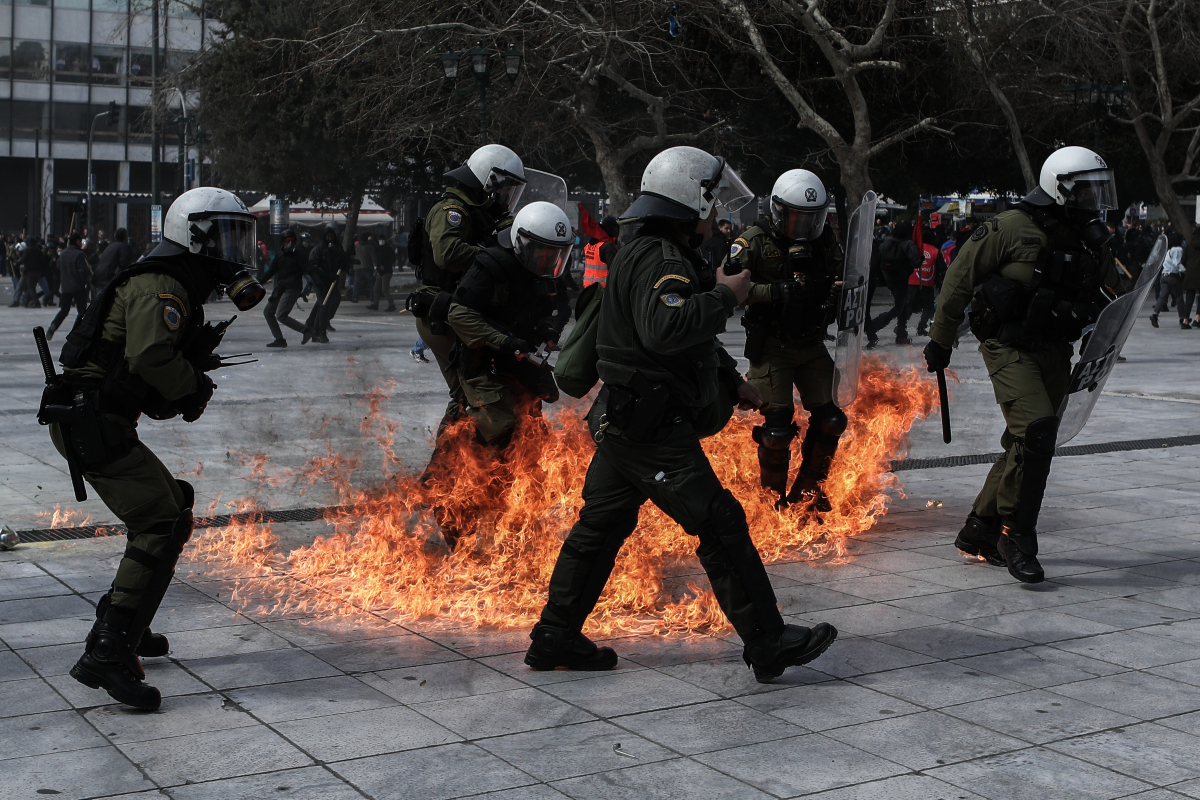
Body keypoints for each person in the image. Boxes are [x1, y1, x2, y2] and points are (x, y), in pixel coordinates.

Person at [525, 146, 838, 682]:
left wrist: (730, 379)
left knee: (600, 527)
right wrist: (727, 295)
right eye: (711, 202)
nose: (717, 214)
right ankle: (767, 642)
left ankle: (555, 636)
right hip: (650, 426)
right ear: (690, 199)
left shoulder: (641, 247)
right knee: (719, 521)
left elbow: (675, 340)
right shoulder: (662, 258)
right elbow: (666, 329)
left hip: (625, 420)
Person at [43, 186, 265, 709]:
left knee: (175, 507)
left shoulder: (171, 284)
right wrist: (193, 385)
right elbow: (148, 360)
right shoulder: (161, 285)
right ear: (194, 235)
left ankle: (129, 618)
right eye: (225, 236)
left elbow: (144, 374)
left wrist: (187, 371)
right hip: (90, 422)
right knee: (159, 521)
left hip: (99, 418)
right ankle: (108, 652)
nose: (234, 249)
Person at [924, 146, 1122, 584]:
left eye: (1098, 190)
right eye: (1086, 190)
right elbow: (959, 278)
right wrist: (940, 340)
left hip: (1055, 349)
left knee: (1025, 441)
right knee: (1037, 430)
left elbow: (1116, 291)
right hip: (1008, 345)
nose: (1094, 199)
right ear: (1059, 187)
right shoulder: (1011, 227)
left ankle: (979, 529)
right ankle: (1016, 536)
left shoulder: (1090, 237)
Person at [728, 169, 846, 512]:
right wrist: (773, 291)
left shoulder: (823, 241)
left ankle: (809, 492)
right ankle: (772, 503)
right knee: (777, 431)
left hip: (811, 341)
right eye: (797, 217)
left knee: (832, 419)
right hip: (772, 344)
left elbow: (846, 274)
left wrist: (836, 292)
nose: (804, 225)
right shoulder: (753, 241)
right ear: (778, 211)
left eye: (811, 218)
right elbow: (727, 289)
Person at [408, 144, 526, 455]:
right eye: (504, 188)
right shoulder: (453, 211)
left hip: (460, 308)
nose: (506, 196)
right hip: (442, 311)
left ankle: (447, 475)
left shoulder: (482, 212)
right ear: (488, 180)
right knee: (471, 391)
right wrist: (493, 257)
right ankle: (446, 473)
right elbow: (447, 254)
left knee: (466, 394)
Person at [447, 200, 570, 449]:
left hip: (520, 365)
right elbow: (458, 313)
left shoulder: (543, 275)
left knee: (531, 433)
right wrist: (503, 341)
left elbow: (543, 313)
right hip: (484, 364)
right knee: (492, 431)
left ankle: (524, 486)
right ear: (521, 242)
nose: (548, 259)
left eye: (554, 253)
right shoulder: (491, 266)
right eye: (542, 251)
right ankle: (438, 483)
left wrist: (545, 328)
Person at [867, 221, 922, 345]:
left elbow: (878, 259)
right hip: (902, 279)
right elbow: (915, 262)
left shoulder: (886, 242)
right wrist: (921, 259)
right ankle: (875, 325)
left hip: (888, 278)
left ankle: (901, 334)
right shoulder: (909, 244)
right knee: (899, 307)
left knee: (901, 306)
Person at [261, 228, 308, 347]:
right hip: (281, 287)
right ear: (283, 242)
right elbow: (270, 271)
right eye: (287, 241)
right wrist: (258, 282)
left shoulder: (300, 256)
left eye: (291, 241)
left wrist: (316, 281)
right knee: (268, 312)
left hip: (293, 288)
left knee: (281, 315)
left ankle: (306, 330)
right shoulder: (280, 255)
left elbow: (310, 270)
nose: (289, 243)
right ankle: (279, 339)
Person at [302, 224, 347, 344]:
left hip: (331, 282)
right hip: (320, 282)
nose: (330, 238)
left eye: (332, 236)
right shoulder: (318, 249)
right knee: (323, 305)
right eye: (328, 236)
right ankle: (319, 332)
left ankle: (316, 322)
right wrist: (320, 278)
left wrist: (346, 266)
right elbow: (312, 267)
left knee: (332, 301)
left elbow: (342, 260)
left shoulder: (337, 248)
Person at [46, 233, 91, 339]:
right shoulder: (79, 254)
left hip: (66, 286)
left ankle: (53, 326)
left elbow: (58, 266)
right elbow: (82, 271)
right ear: (78, 241)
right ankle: (76, 332)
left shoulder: (63, 254)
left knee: (64, 310)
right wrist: (84, 282)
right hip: (78, 286)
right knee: (82, 312)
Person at [910, 226, 945, 337]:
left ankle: (901, 325)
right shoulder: (935, 251)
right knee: (928, 306)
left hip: (912, 280)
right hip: (928, 282)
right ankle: (921, 327)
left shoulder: (914, 248)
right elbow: (943, 268)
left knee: (908, 305)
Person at [1150, 234, 1187, 329]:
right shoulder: (1178, 250)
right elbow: (1176, 263)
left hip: (1164, 275)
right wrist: (1185, 270)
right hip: (1174, 276)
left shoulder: (1169, 250)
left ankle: (1155, 314)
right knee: (1179, 298)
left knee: (1162, 297)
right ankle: (1182, 318)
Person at [93, 228, 137, 297]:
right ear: (125, 237)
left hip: (100, 276)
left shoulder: (110, 246)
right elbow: (124, 264)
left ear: (114, 236)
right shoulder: (124, 247)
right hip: (110, 277)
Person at [581, 216, 620, 288]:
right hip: (603, 287)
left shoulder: (589, 244)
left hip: (588, 286)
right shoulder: (607, 245)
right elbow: (614, 268)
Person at [367, 235, 396, 311]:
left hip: (387, 271)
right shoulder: (378, 248)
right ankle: (375, 304)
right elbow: (378, 260)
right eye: (380, 239)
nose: (381, 241)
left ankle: (391, 304)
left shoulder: (388, 249)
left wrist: (385, 266)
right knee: (376, 288)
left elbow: (392, 259)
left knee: (384, 289)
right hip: (380, 271)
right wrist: (377, 269)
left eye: (382, 239)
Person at [349, 231, 374, 303]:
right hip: (367, 267)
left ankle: (355, 298)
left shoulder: (356, 247)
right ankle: (372, 296)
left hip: (357, 268)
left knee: (356, 283)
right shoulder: (369, 247)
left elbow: (352, 257)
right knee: (372, 282)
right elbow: (374, 258)